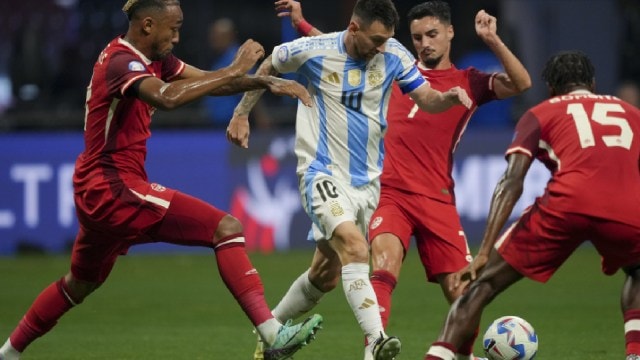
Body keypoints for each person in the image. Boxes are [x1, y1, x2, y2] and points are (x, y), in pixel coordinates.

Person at [0, 1, 323, 360]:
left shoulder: (155, 60)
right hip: (113, 186)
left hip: (98, 189)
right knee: (226, 228)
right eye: (173, 28)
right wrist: (234, 68)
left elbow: (206, 83)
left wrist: (262, 80)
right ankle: (272, 332)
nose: (177, 36)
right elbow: (168, 98)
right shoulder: (121, 62)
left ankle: (9, 352)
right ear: (148, 25)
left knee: (79, 284)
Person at [262, 1, 531, 359]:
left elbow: (521, 83)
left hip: (437, 196)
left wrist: (492, 40)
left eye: (432, 35)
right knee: (382, 264)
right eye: (418, 37)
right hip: (388, 191)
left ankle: (460, 355)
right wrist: (304, 25)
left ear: (451, 32)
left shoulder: (468, 81)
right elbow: (345, 46)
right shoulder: (390, 64)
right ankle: (374, 349)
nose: (424, 44)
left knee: (461, 291)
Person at [227, 0, 472, 359]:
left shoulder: (393, 53)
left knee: (324, 274)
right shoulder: (314, 52)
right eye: (375, 39)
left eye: (387, 39)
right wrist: (241, 113)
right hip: (321, 171)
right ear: (354, 29)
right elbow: (269, 64)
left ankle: (271, 335)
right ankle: (376, 338)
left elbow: (425, 98)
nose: (381, 47)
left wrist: (445, 98)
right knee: (357, 247)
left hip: (367, 184)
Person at [423, 50, 640, 360]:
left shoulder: (542, 112)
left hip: (567, 204)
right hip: (628, 207)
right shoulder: (631, 112)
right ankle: (635, 353)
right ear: (592, 84)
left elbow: (512, 181)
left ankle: (437, 357)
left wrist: (484, 251)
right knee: (637, 269)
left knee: (482, 288)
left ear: (551, 88)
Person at [202, 18, 271, 129]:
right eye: (213, 35)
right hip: (214, 124)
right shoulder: (217, 58)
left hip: (231, 124)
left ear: (229, 36)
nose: (213, 39)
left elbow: (252, 88)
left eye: (218, 36)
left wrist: (261, 118)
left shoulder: (240, 58)